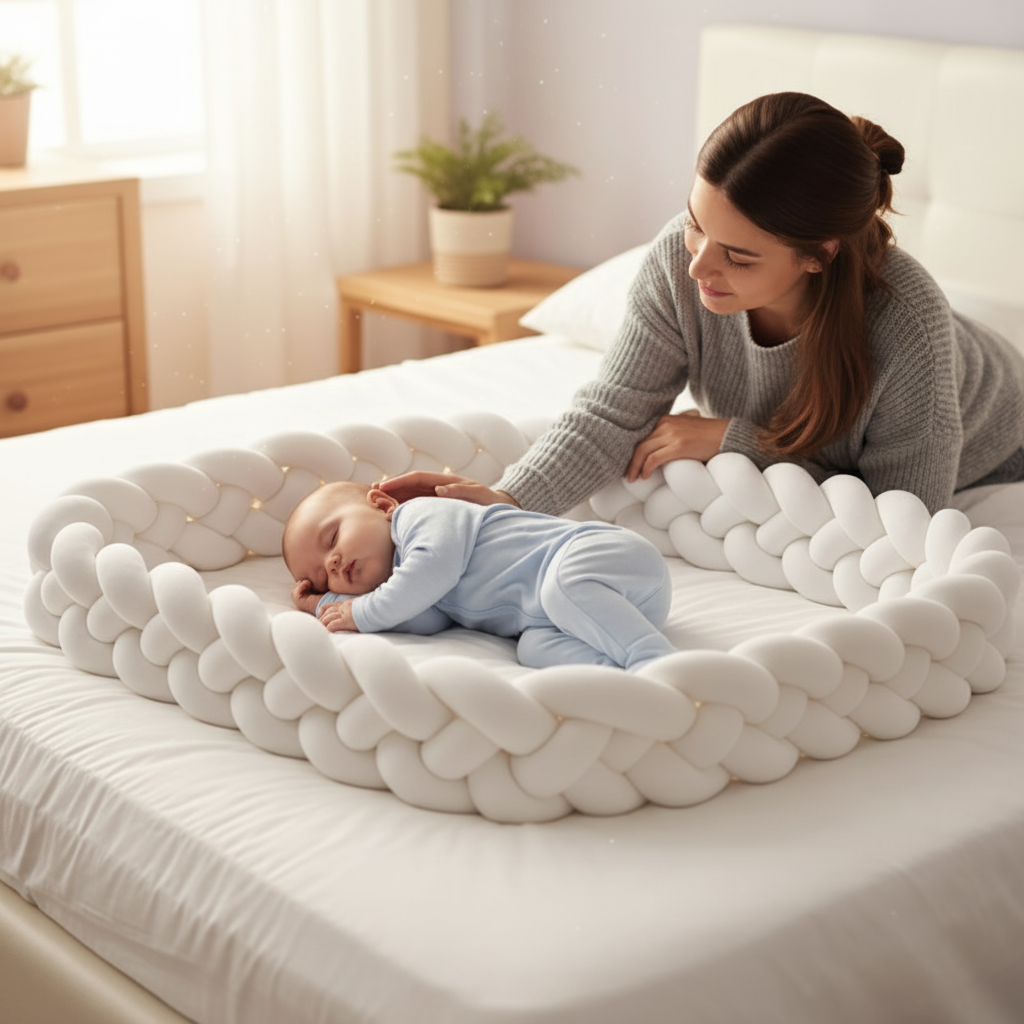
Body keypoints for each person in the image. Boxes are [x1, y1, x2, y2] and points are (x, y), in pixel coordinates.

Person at [377, 92, 1024, 519]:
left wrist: (738, 442)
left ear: (818, 255)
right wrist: (503, 502)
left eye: (739, 256)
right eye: (695, 224)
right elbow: (612, 413)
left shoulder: (905, 328)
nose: (698, 266)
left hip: (1002, 447)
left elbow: (901, 511)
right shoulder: (678, 263)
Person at [282, 480, 676, 671]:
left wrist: (358, 613)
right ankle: (620, 670)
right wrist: (325, 604)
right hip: (595, 619)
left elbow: (430, 569)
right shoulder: (414, 590)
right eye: (322, 575)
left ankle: (655, 662)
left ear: (383, 504)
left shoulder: (422, 515)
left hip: (605, 558)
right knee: (533, 649)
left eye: (332, 537)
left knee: (562, 589)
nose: (333, 563)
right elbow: (419, 619)